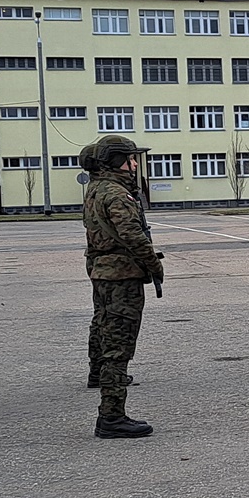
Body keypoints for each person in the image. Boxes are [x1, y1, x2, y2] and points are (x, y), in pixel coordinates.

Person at [82, 134, 161, 439]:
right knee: (119, 346)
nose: (134, 164)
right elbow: (133, 235)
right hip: (121, 277)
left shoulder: (96, 189)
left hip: (104, 273)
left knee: (107, 337)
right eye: (130, 159)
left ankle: (110, 409)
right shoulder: (116, 194)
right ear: (118, 161)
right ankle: (112, 416)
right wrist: (154, 264)